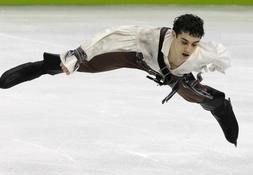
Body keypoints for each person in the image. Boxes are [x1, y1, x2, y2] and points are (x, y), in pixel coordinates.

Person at [0, 14, 239, 146]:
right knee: (85, 64)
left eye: (194, 44)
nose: (188, 49)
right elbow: (111, 36)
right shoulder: (150, 37)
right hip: (139, 58)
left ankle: (221, 108)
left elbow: (222, 58)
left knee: (197, 95)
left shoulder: (204, 53)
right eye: (184, 41)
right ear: (174, 35)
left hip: (176, 76)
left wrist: (206, 67)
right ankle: (40, 67)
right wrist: (78, 54)